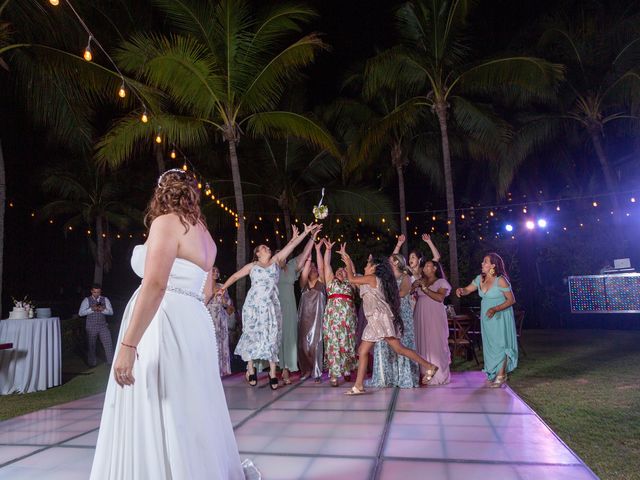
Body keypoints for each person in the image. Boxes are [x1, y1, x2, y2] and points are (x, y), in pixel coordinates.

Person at [90, 169, 253, 479]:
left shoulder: (166, 223)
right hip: (193, 323)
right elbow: (205, 292)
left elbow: (155, 285)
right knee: (189, 406)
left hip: (163, 323)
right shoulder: (205, 234)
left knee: (160, 403)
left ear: (161, 192)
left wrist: (127, 344)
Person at [218, 223, 318, 390]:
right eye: (264, 247)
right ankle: (250, 368)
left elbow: (292, 245)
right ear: (257, 253)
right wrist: (223, 288)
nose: (268, 248)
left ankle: (272, 372)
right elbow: (235, 276)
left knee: (272, 336)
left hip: (271, 306)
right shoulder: (253, 267)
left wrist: (306, 233)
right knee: (252, 335)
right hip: (253, 305)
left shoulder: (275, 262)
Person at [339, 246, 439, 395]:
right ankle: (358, 385)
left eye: (368, 264)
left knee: (398, 349)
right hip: (374, 320)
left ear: (374, 268)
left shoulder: (372, 279)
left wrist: (347, 260)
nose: (365, 266)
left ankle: (430, 366)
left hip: (380, 319)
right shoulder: (370, 279)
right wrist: (349, 264)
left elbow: (351, 278)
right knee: (363, 350)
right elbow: (354, 278)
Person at [456, 252, 518, 388]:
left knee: (501, 344)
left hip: (500, 315)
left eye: (485, 261)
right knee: (490, 345)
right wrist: (461, 290)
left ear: (493, 265)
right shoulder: (480, 279)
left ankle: (501, 375)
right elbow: (468, 289)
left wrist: (495, 308)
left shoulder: (501, 280)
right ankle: (494, 372)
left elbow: (511, 300)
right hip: (487, 317)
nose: (482, 264)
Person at [367, 253, 420, 388]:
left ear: (396, 262)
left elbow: (403, 293)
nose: (387, 263)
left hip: (402, 313)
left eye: (390, 260)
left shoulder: (405, 277)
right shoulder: (386, 278)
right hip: (388, 313)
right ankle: (387, 377)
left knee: (402, 342)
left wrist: (385, 294)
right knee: (388, 344)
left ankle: (404, 377)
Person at [277, 233, 317, 384]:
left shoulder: (291, 266)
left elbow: (304, 254)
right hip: (273, 304)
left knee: (288, 335)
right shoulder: (272, 268)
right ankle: (274, 369)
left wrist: (312, 237)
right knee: (275, 335)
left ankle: (286, 369)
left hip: (288, 304)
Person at [322, 239, 357, 387]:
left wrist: (346, 256)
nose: (340, 271)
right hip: (332, 320)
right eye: (339, 270)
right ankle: (334, 374)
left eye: (343, 270)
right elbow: (326, 265)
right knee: (333, 344)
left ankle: (347, 369)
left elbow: (353, 272)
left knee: (348, 343)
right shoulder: (331, 281)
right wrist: (328, 250)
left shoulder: (351, 283)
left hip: (348, 319)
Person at [412, 257, 451, 385]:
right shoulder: (421, 280)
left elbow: (440, 298)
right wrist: (414, 286)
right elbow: (409, 292)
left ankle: (439, 374)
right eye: (424, 266)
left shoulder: (441, 282)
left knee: (436, 342)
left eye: (428, 266)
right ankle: (425, 372)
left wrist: (425, 289)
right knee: (422, 341)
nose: (425, 268)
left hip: (435, 316)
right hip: (420, 314)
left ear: (435, 269)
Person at [297, 241, 326, 382]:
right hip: (303, 319)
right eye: (311, 267)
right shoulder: (303, 284)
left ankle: (317, 372)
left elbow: (321, 268)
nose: (314, 268)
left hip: (318, 319)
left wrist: (317, 249)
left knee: (316, 345)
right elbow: (304, 270)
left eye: (315, 267)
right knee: (303, 346)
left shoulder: (321, 283)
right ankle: (306, 370)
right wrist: (308, 260)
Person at [205, 266, 234, 377]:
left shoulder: (222, 287)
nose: (216, 272)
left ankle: (221, 370)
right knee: (211, 342)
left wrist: (223, 299)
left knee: (220, 343)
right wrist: (212, 293)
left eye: (218, 271)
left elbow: (229, 304)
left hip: (220, 317)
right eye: (213, 270)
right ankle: (209, 370)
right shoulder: (203, 286)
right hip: (208, 315)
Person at [78, 283, 114, 367]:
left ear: (100, 291)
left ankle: (111, 362)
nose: (97, 294)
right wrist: (91, 309)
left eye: (98, 292)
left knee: (108, 343)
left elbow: (111, 312)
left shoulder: (105, 299)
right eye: (95, 292)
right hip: (91, 326)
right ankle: (92, 363)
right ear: (91, 291)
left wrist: (103, 310)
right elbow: (80, 313)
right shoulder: (86, 300)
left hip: (103, 326)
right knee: (91, 345)